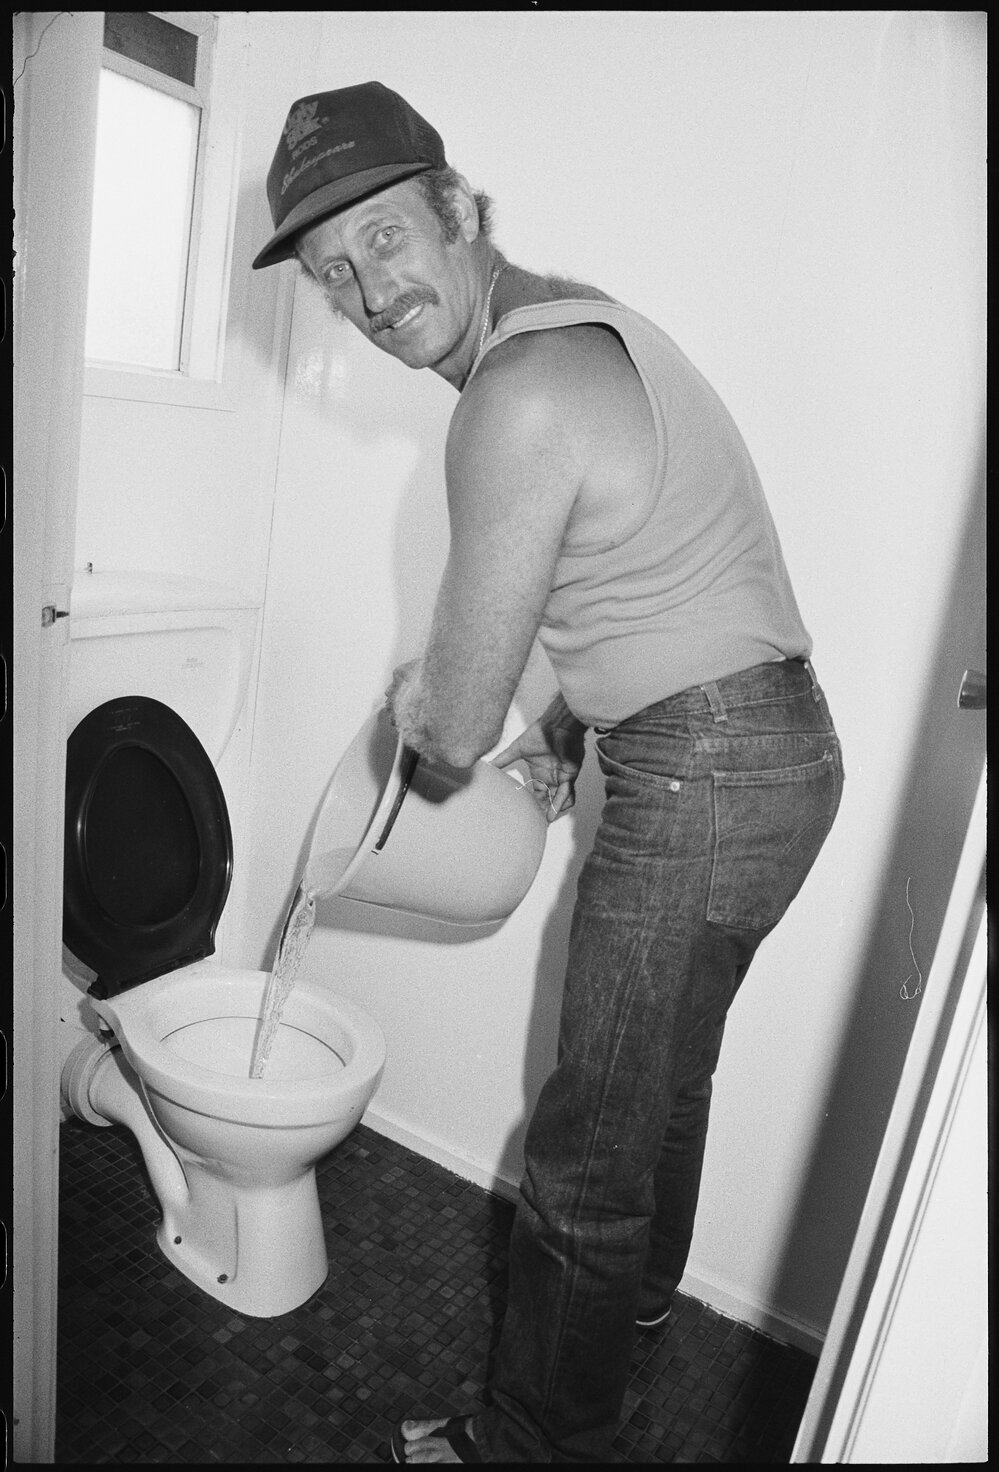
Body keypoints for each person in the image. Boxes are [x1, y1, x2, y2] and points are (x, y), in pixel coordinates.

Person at [253, 81, 844, 1465]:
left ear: (461, 213)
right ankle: (629, 1322)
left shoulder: (513, 392)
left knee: (580, 1154)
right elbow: (645, 583)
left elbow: (452, 726)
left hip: (706, 774)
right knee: (664, 1089)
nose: (367, 288)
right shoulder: (575, 325)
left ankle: (530, 1446)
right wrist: (569, 726)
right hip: (769, 755)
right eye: (337, 274)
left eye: (386, 240)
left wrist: (420, 696)